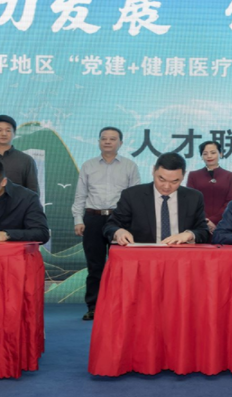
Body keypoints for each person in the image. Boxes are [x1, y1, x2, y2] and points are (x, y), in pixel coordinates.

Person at [71, 127, 140, 321]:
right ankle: (94, 307)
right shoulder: (88, 165)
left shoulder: (130, 166)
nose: (108, 142)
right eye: (104, 138)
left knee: (122, 265)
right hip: (93, 218)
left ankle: (123, 306)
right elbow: (80, 195)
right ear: (99, 142)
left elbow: (135, 198)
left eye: (112, 139)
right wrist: (78, 220)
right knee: (95, 266)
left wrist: (133, 223)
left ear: (121, 143)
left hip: (120, 220)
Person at [103, 152, 209, 246]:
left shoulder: (194, 197)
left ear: (183, 175)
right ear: (153, 170)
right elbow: (110, 226)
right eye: (161, 179)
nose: (166, 186)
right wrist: (119, 232)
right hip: (144, 256)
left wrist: (189, 235)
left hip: (181, 256)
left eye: (174, 181)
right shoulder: (132, 195)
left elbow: (203, 231)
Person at [186, 141, 232, 236]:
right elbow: (190, 200)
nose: (209, 156)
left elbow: (231, 200)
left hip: (224, 223)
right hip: (199, 224)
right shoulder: (193, 175)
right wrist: (205, 221)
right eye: (205, 153)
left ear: (220, 154)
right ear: (201, 156)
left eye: (213, 152)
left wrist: (214, 220)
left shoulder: (230, 176)